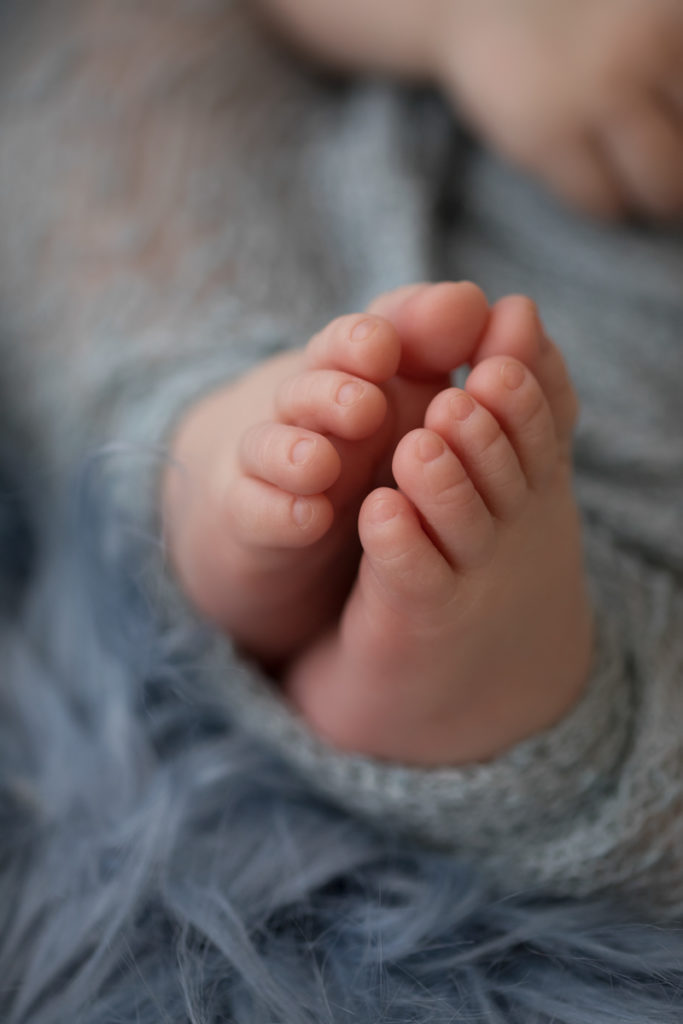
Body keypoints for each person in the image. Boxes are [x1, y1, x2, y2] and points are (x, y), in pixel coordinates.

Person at [0, 0, 682, 906]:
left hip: (619, 331)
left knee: (545, 418)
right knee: (117, 62)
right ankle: (209, 433)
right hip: (305, 151)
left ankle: (528, 688)